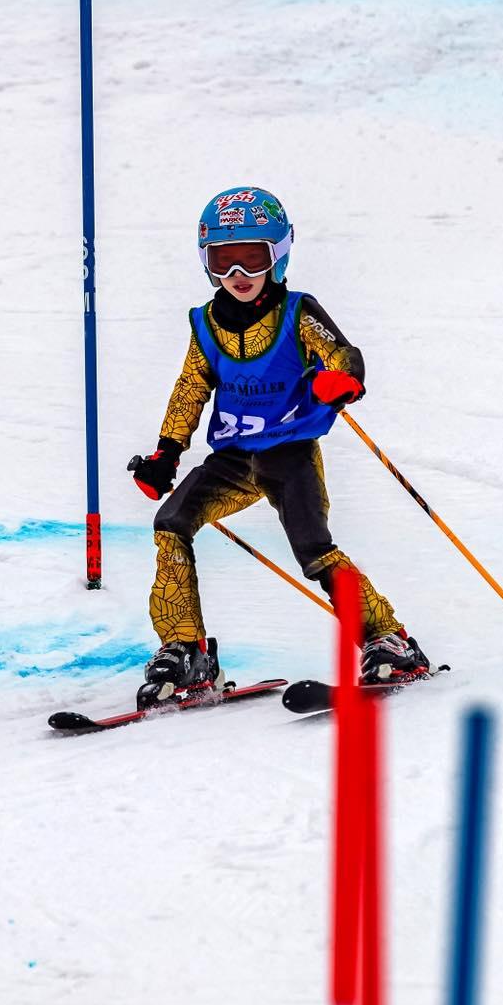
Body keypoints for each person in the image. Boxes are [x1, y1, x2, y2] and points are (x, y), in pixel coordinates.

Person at [129, 186, 430, 702]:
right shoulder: (205, 324)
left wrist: (339, 381)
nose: (237, 277)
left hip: (289, 453)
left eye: (252, 259)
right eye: (222, 262)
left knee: (314, 550)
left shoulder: (296, 311)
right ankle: (185, 651)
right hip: (231, 459)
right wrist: (166, 452)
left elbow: (341, 355)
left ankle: (389, 641)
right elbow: (191, 387)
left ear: (279, 254)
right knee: (171, 525)